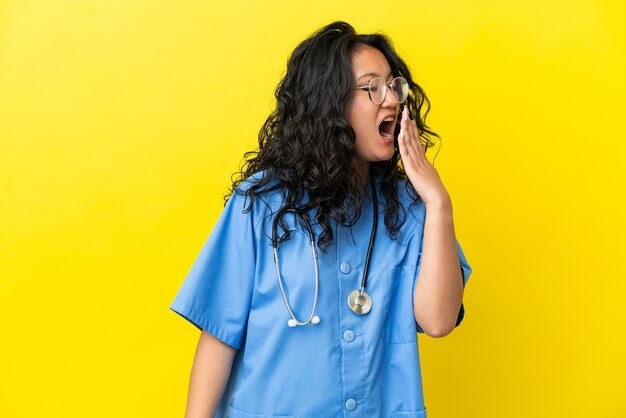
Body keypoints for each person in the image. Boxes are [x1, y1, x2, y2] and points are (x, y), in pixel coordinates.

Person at [170, 21, 472, 418]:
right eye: (373, 88)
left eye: (394, 86)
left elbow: (437, 321)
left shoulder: (412, 209)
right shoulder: (261, 204)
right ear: (331, 104)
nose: (392, 101)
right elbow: (220, 337)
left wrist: (438, 200)